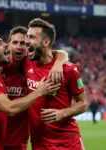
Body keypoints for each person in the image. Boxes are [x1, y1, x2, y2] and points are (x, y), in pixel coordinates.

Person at [0, 27, 68, 150]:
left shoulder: (32, 66)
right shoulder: (1, 67)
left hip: (17, 142)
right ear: (9, 46)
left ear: (28, 47)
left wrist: (58, 63)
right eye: (14, 43)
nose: (18, 46)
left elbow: (60, 53)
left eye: (23, 43)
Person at [24, 18, 88, 150]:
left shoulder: (69, 70)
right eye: (27, 37)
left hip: (67, 143)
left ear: (46, 42)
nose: (26, 41)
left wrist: (62, 113)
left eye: (31, 37)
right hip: (39, 143)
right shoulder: (26, 63)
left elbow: (83, 104)